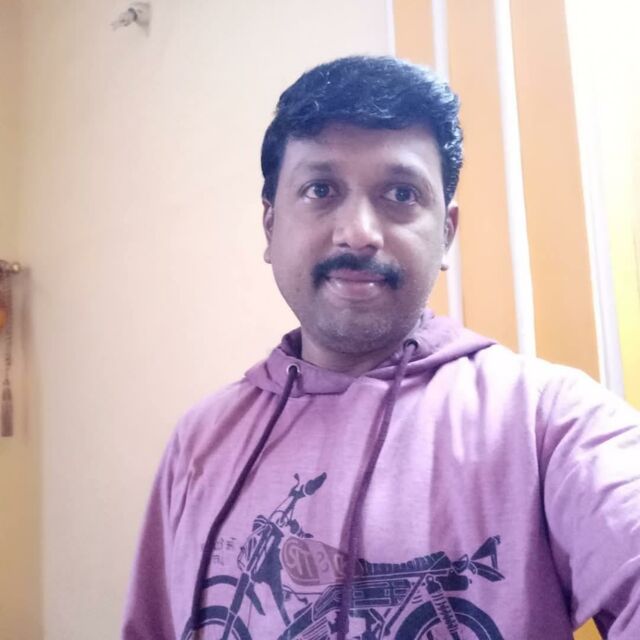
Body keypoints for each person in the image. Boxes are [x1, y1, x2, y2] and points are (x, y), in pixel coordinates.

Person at [122, 56, 640, 640]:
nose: (359, 233)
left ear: (445, 233)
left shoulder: (549, 421)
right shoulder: (199, 442)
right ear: (270, 227)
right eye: (320, 190)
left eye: (400, 193)